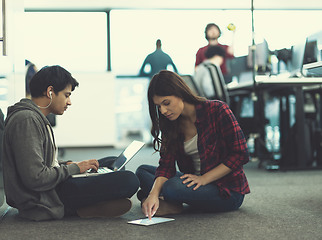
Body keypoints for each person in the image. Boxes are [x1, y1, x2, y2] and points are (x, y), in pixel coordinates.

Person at [2, 65, 139, 221]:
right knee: (129, 180)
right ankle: (79, 208)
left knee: (111, 162)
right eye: (67, 95)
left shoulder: (33, 117)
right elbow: (35, 178)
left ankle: (90, 203)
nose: (69, 102)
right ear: (50, 92)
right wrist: (74, 169)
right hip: (45, 198)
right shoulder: (27, 120)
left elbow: (41, 162)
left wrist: (67, 164)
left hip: (51, 188)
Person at [135, 70, 250, 219]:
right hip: (194, 182)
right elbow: (166, 166)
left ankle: (172, 200)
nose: (163, 111)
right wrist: (153, 194)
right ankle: (168, 201)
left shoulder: (217, 110)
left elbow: (240, 154)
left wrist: (204, 179)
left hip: (225, 190)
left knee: (171, 188)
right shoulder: (171, 123)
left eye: (166, 103)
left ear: (180, 93)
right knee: (142, 172)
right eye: (158, 106)